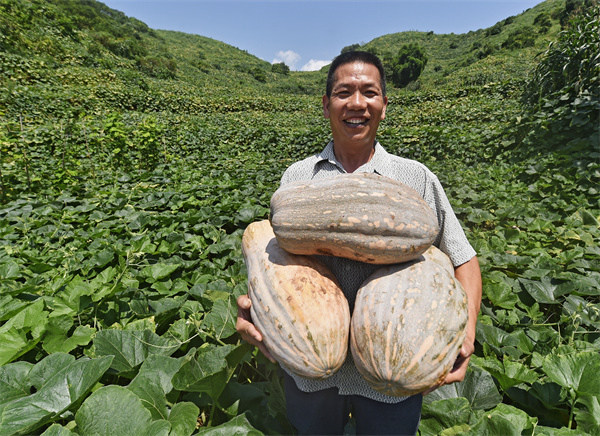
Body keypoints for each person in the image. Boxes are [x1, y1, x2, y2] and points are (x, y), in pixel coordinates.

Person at [236, 51, 482, 435]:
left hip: (394, 374)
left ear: (384, 105)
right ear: (326, 105)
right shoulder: (297, 179)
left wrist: (467, 333)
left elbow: (464, 260)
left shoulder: (415, 178)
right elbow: (276, 263)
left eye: (369, 92)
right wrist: (257, 311)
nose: (356, 103)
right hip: (311, 373)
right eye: (343, 93)